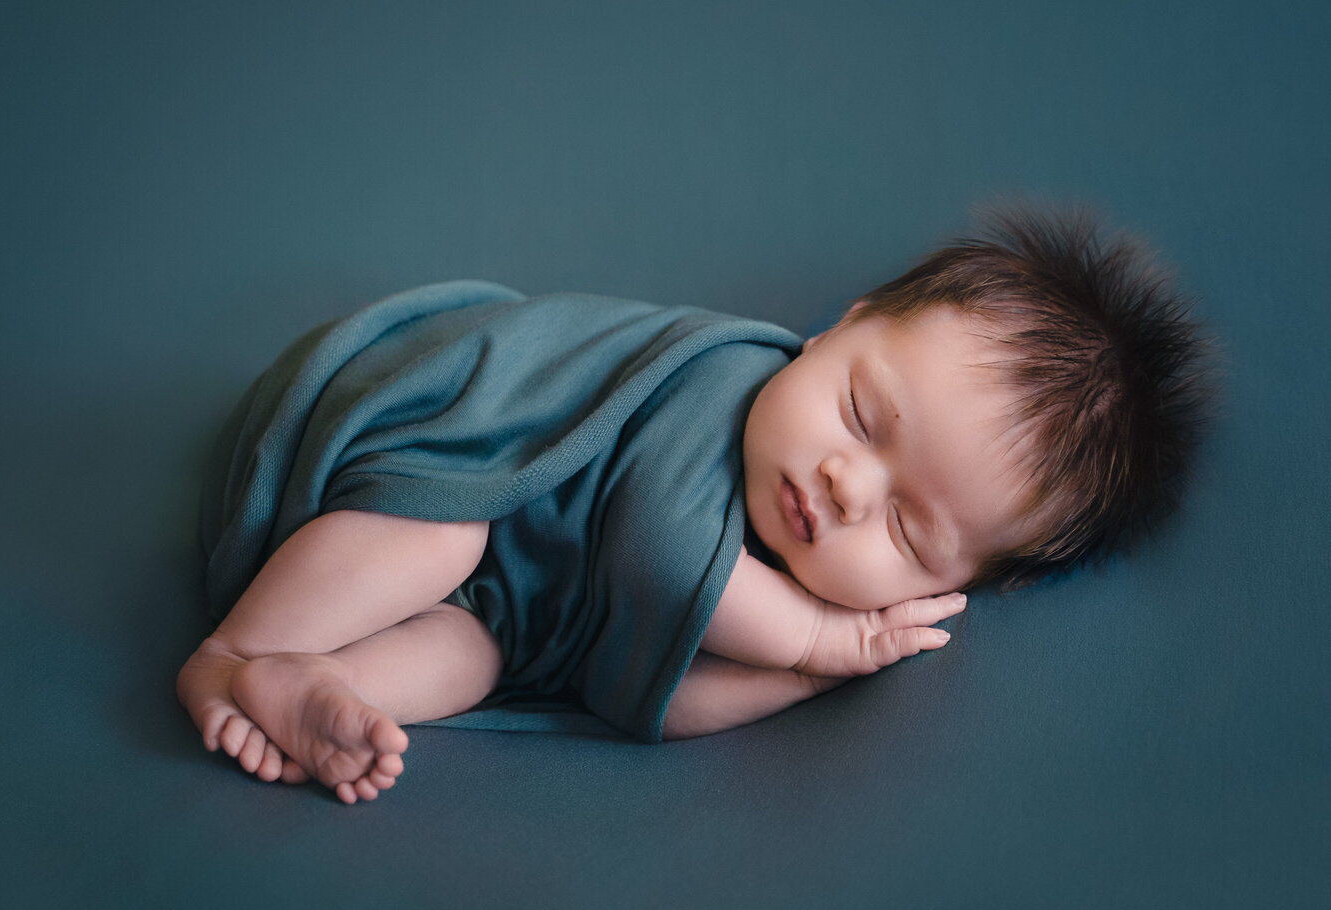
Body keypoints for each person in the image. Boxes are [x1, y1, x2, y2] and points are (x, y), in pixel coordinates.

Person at [177, 207, 1217, 804]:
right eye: (860, 412)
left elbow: (652, 702)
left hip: (508, 601)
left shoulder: (764, 585)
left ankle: (311, 682)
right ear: (834, 331)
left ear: (955, 584)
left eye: (905, 531)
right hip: (432, 444)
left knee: (472, 654)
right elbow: (669, 553)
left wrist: (797, 684)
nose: (844, 484)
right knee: (442, 534)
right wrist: (818, 639)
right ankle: (231, 652)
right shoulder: (723, 382)